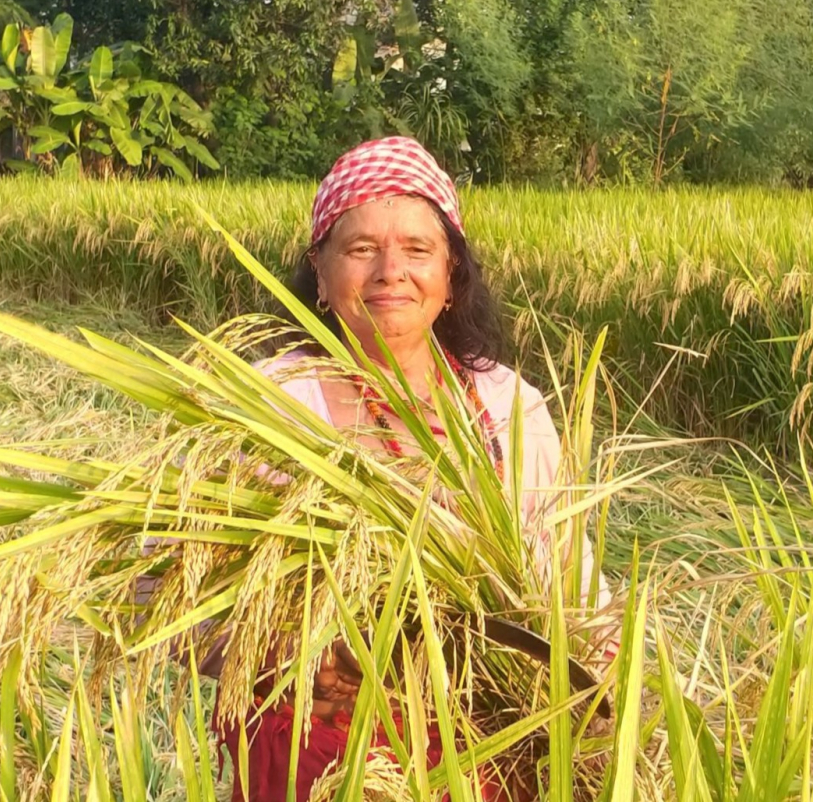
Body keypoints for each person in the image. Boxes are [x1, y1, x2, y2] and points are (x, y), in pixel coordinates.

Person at [191, 137, 611, 800]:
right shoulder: (269, 405)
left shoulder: (507, 408)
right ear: (321, 275)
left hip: (488, 744)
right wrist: (302, 658)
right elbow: (186, 596)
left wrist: (607, 679)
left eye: (418, 249)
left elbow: (568, 571)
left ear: (451, 277)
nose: (391, 270)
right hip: (318, 754)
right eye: (361, 249)